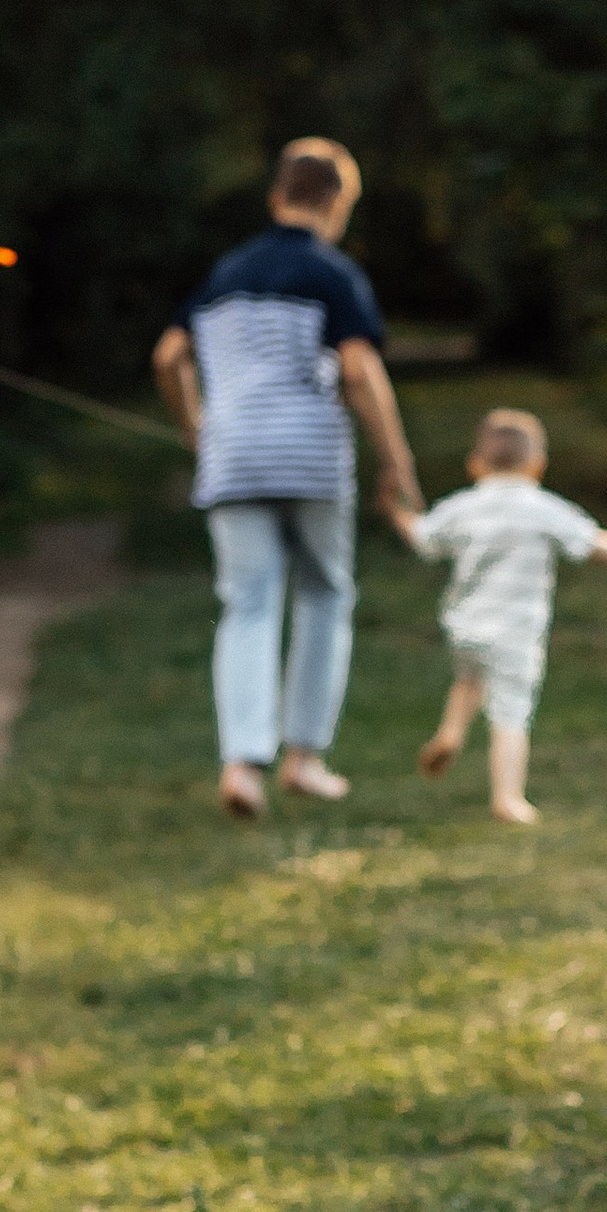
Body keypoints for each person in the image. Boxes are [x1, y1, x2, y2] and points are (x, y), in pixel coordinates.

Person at [152, 137, 421, 820]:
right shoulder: (332, 273)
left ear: (276, 197)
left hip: (233, 457)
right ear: (337, 204)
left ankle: (242, 765)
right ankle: (304, 758)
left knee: (248, 605)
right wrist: (397, 460)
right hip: (309, 458)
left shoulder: (225, 273)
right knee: (326, 594)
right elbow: (358, 371)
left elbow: (168, 356)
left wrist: (196, 428)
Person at [393, 406, 607, 825]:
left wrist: (398, 512)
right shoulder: (542, 508)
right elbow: (591, 542)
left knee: (468, 680)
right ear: (537, 465)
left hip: (464, 625)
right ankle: (508, 797)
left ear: (475, 465)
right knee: (511, 711)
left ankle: (451, 733)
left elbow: (424, 539)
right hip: (515, 629)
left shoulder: (462, 506)